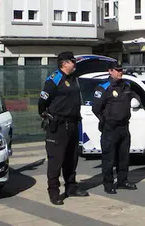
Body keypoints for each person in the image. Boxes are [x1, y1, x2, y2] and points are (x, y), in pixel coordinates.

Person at [38, 51, 89, 205]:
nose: (75, 64)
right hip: (58, 125)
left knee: (71, 159)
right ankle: (53, 192)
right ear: (65, 63)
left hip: (72, 124)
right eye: (73, 62)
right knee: (56, 160)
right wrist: (45, 114)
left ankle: (71, 187)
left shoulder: (73, 78)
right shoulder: (55, 79)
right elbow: (42, 101)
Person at [92, 62, 138, 194]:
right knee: (109, 157)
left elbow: (133, 96)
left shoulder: (126, 85)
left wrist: (136, 100)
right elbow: (96, 108)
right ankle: (108, 184)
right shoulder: (103, 87)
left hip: (124, 126)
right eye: (117, 70)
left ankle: (123, 181)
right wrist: (105, 120)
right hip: (110, 127)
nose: (120, 72)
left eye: (121, 70)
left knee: (123, 156)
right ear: (110, 71)